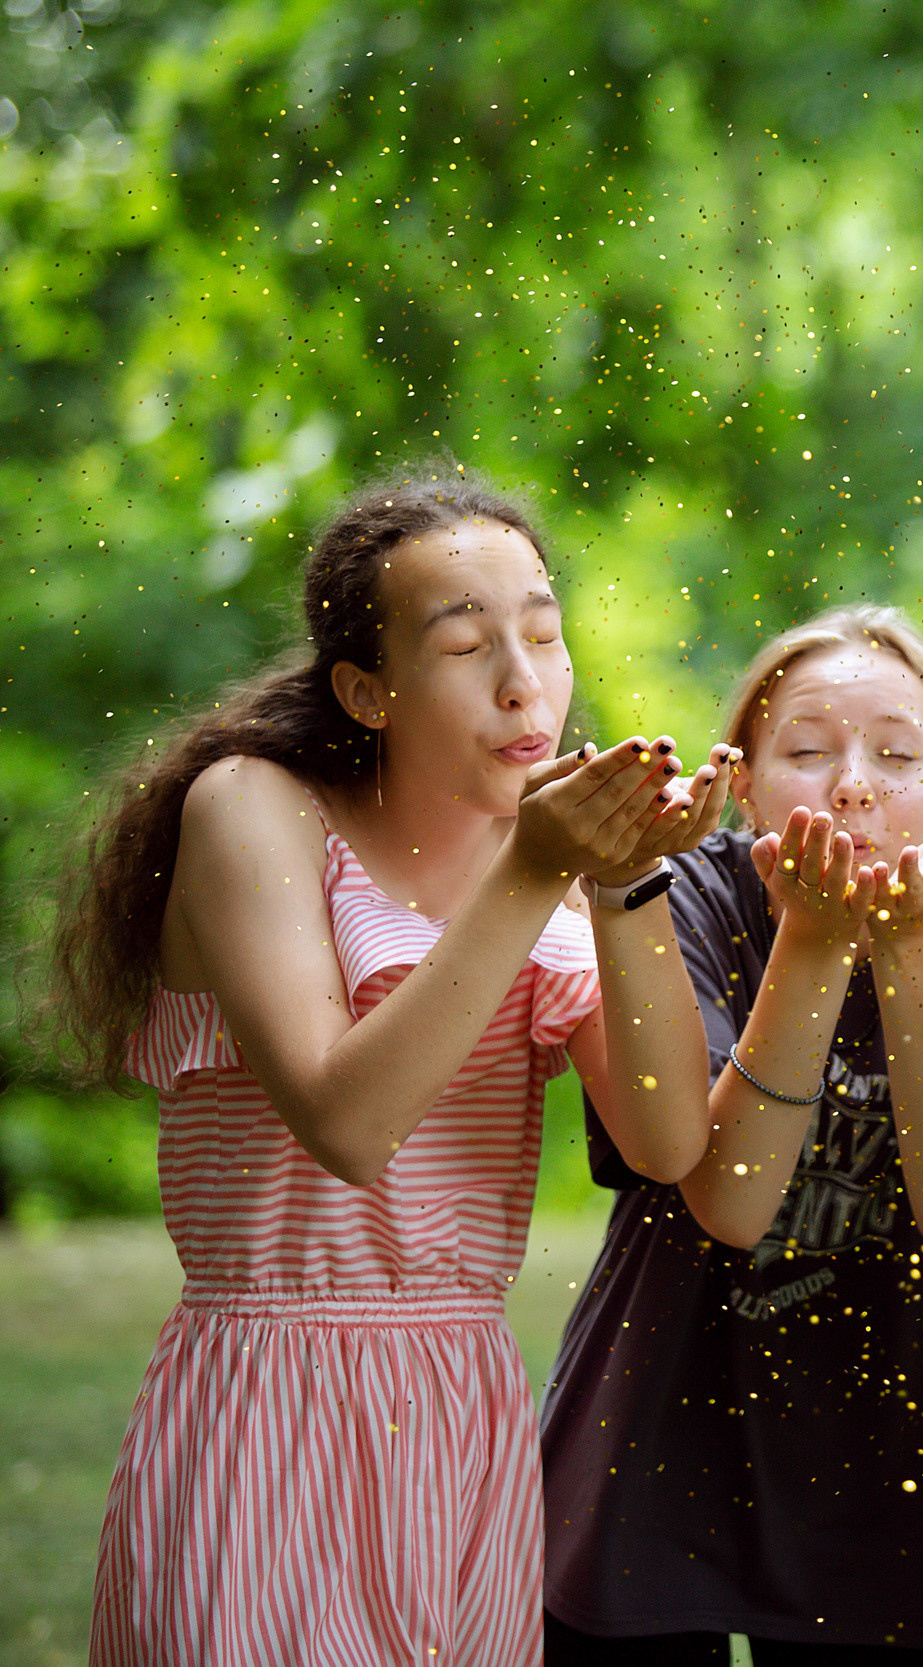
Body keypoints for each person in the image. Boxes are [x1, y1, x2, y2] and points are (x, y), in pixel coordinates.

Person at [44, 467, 731, 1665]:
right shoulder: (255, 809)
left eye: (544, 633)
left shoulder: (553, 870)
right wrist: (539, 868)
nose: (527, 682)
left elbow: (671, 1144)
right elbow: (346, 1122)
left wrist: (625, 879)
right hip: (270, 1396)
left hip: (464, 1407)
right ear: (369, 689)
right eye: (467, 645)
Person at [539, 604, 923, 1665]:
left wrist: (906, 946)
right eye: (806, 750)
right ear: (745, 780)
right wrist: (812, 939)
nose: (852, 782)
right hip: (651, 1432)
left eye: (897, 753)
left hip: (874, 1454)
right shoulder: (686, 892)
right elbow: (728, 1195)